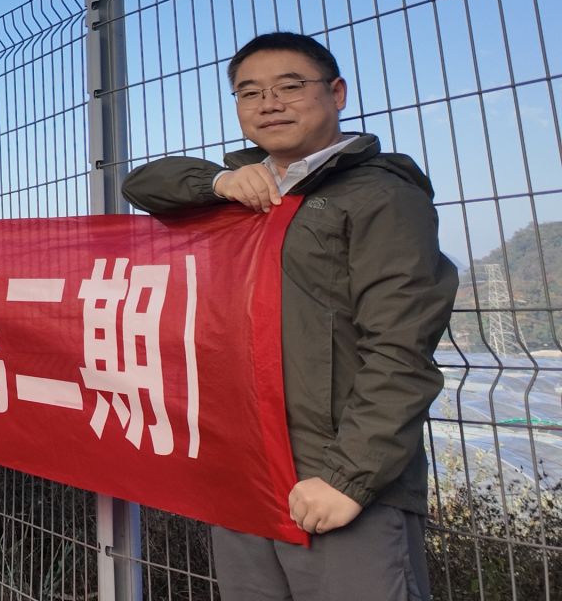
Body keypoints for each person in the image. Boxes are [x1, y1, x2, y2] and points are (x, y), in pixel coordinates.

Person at [122, 31, 456, 599]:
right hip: (247, 467)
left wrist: (348, 478)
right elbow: (143, 184)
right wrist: (219, 181)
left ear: (337, 93)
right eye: (250, 92)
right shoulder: (244, 190)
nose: (269, 104)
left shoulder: (381, 195)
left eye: (290, 86)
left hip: (334, 477)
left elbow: (400, 349)